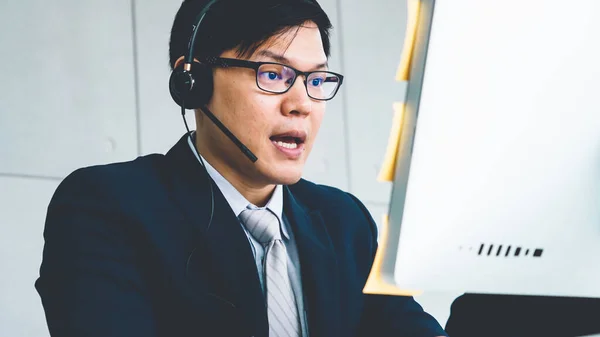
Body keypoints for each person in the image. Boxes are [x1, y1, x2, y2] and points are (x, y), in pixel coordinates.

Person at [35, 0, 447, 336]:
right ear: (191, 80)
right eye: (273, 74)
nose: (301, 103)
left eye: (316, 80)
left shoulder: (345, 223)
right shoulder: (105, 206)